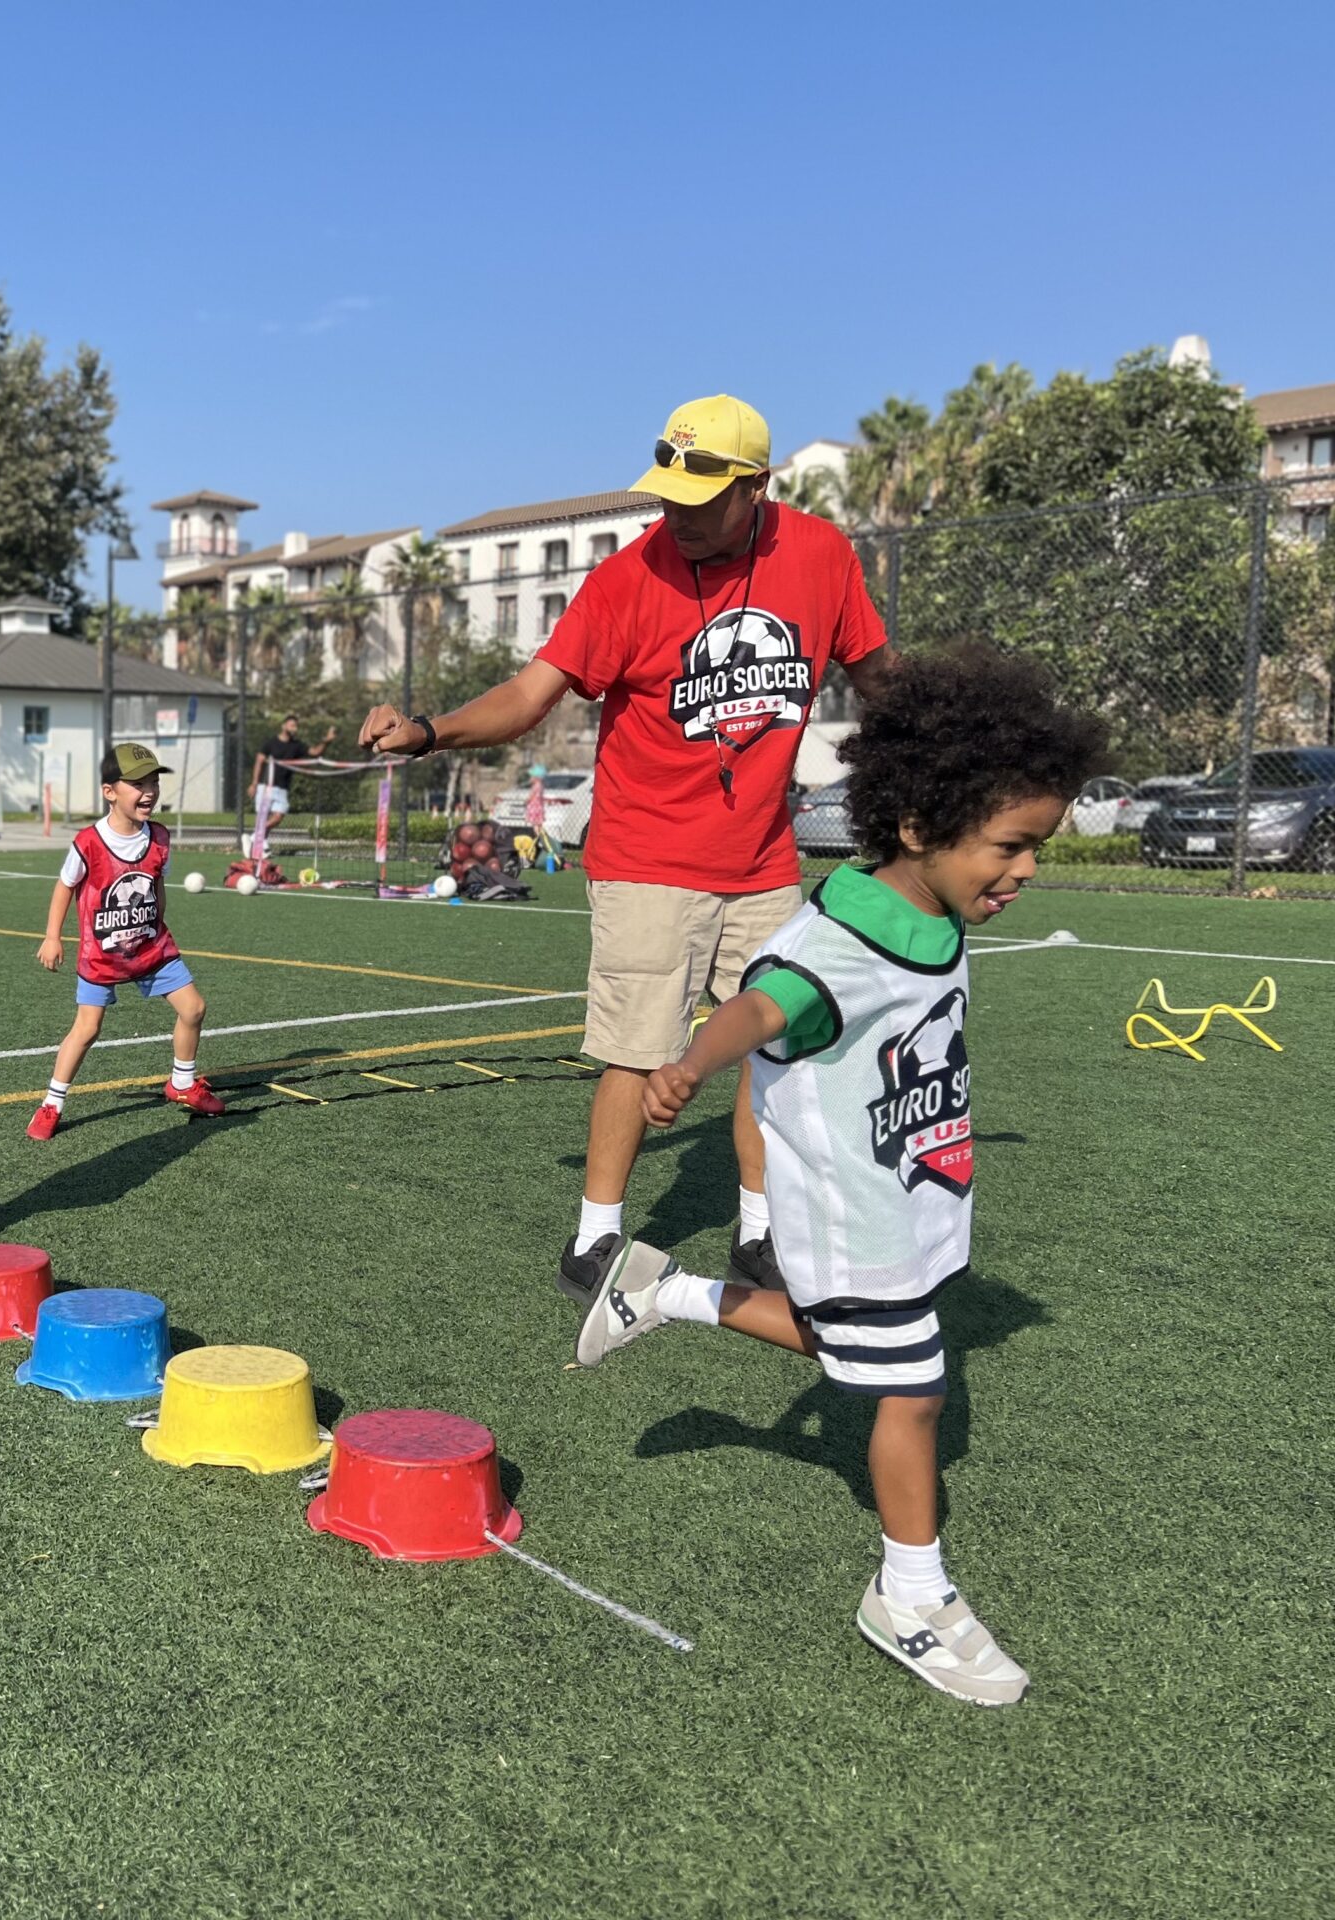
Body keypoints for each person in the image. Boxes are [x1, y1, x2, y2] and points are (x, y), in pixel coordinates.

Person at [573, 646, 1105, 1707]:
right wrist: (686, 1063)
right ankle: (909, 1595)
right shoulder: (841, 947)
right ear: (919, 828)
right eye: (1010, 845)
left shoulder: (925, 907)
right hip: (855, 1219)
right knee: (910, 1394)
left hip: (913, 1196)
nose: (1027, 870)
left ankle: (662, 1291)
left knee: (841, 1345)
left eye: (1035, 846)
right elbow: (769, 999)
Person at [359, 394, 892, 1306]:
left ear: (757, 486)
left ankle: (759, 1238)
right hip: (647, 858)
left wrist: (947, 767)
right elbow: (530, 698)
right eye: (666, 496)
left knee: (779, 1048)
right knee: (636, 1053)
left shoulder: (821, 556)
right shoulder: (622, 581)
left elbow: (882, 680)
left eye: (699, 498)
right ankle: (594, 1240)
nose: (674, 516)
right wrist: (429, 731)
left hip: (764, 861)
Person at [27, 744, 225, 1139]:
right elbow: (65, 887)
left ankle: (182, 1084)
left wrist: (157, 926)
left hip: (152, 948)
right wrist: (53, 937)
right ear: (110, 792)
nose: (148, 790)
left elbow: (158, 887)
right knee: (87, 1029)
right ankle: (52, 1104)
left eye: (153, 781)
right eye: (137, 783)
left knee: (194, 1009)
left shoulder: (160, 838)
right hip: (101, 957)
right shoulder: (88, 842)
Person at [248, 714, 334, 856]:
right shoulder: (270, 743)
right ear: (284, 726)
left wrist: (326, 741)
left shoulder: (297, 745)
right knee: (262, 817)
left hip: (283, 788)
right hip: (266, 786)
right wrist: (254, 783)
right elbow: (259, 761)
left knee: (278, 816)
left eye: (296, 726)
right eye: (292, 725)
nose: (295, 728)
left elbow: (315, 752)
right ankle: (260, 848)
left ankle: (255, 836)